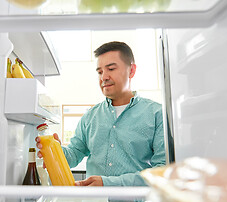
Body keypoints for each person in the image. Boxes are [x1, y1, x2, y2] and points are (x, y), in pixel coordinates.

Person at [36, 41, 166, 186]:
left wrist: (108, 183)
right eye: (100, 72)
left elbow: (160, 172)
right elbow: (74, 154)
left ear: (132, 70)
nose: (104, 77)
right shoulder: (90, 116)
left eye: (111, 69)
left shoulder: (156, 114)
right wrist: (56, 153)